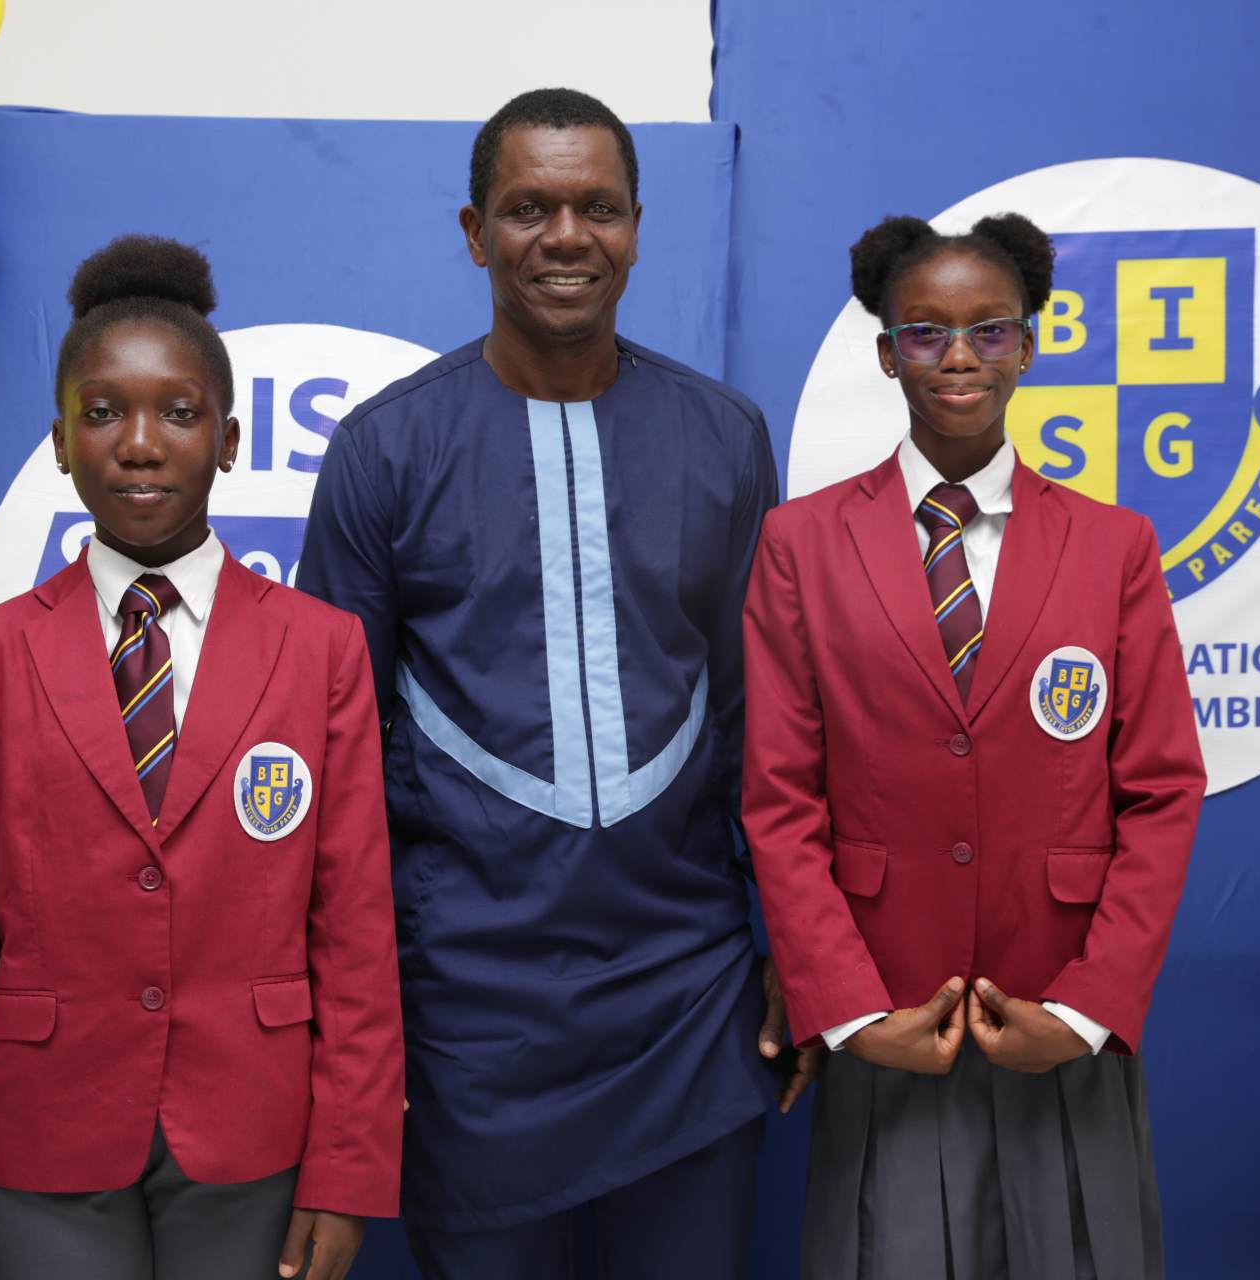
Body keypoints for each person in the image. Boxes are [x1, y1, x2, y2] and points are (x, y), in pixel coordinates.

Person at [297, 88, 804, 1280]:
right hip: (470, 1010)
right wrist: (351, 1016)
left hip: (688, 993)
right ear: (475, 232)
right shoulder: (384, 447)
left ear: (636, 228)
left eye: (598, 208)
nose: (567, 237)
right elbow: (332, 753)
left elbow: (763, 720)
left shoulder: (724, 435)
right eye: (530, 208)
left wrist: (796, 944)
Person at [0, 235, 403, 1280]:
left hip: (253, 1137)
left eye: (179, 412)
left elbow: (355, 930)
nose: (141, 445)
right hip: (42, 1139)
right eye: (104, 412)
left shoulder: (320, 649)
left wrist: (349, 1170)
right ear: (60, 442)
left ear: (230, 439)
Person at [743, 213, 1206, 1280]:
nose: (958, 356)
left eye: (990, 330)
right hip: (890, 1015)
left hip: (1056, 1014)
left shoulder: (1115, 545)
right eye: (925, 332)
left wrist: (1088, 1008)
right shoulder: (803, 543)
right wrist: (847, 1009)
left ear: (1029, 346)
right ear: (886, 353)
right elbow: (779, 794)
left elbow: (1162, 790)